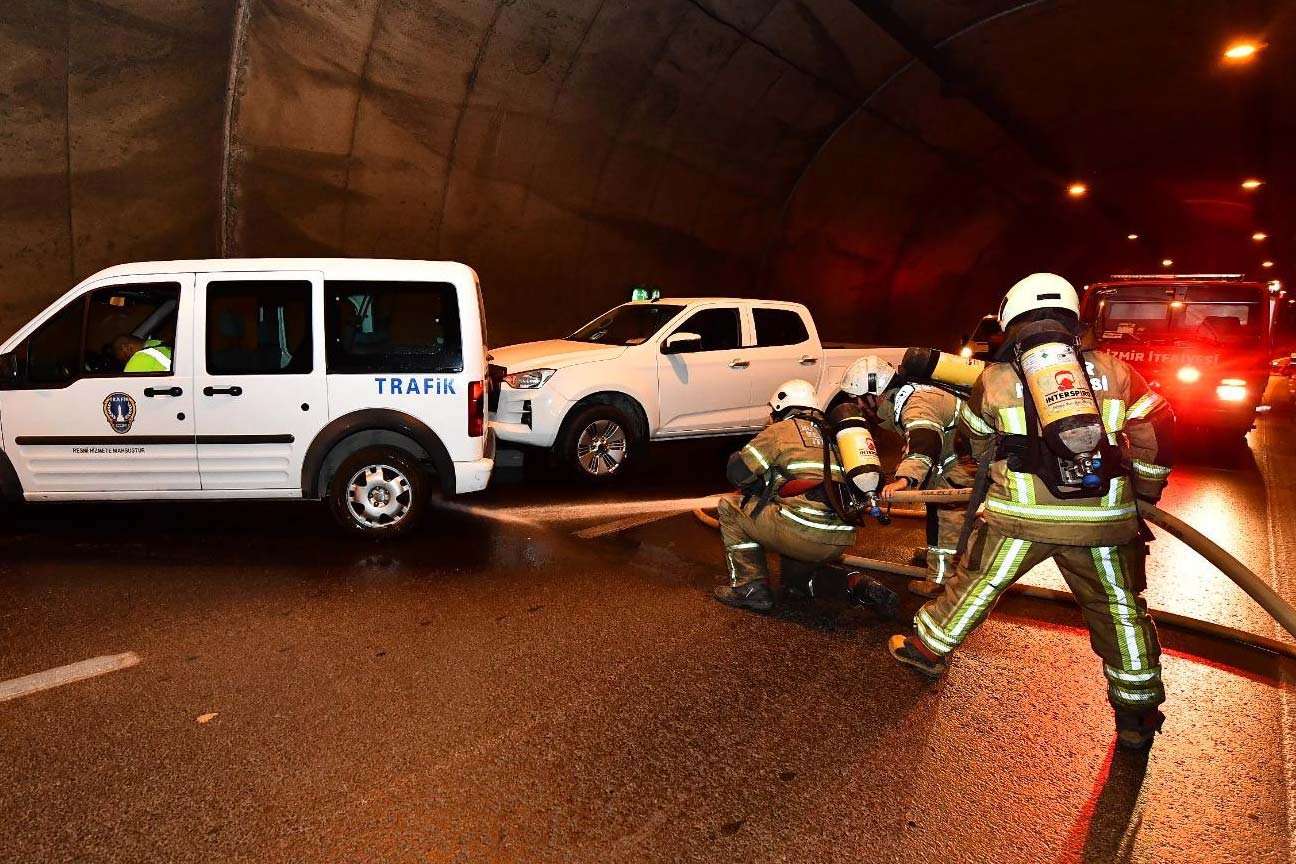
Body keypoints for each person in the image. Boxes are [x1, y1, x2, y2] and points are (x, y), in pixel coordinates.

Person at [887, 273, 1175, 751]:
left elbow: (974, 442)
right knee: (1119, 609)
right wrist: (1145, 489)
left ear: (1010, 319)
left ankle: (926, 649)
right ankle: (1137, 712)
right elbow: (1156, 432)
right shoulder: (1118, 371)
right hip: (1102, 520)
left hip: (1018, 517)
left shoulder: (995, 379)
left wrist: (997, 461)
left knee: (978, 582)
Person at [714, 379, 896, 617]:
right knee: (795, 579)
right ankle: (860, 585)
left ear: (781, 408)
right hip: (839, 536)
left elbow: (738, 474)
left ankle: (750, 589)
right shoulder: (835, 434)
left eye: (773, 412)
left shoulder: (780, 431)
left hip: (800, 530)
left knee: (729, 507)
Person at [841, 355, 975, 598]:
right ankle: (938, 555)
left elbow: (925, 442)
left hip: (966, 460)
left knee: (949, 514)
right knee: (936, 506)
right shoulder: (907, 395)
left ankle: (941, 581)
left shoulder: (916, 402)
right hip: (956, 454)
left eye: (859, 399)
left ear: (875, 391)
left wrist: (905, 480)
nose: (859, 405)